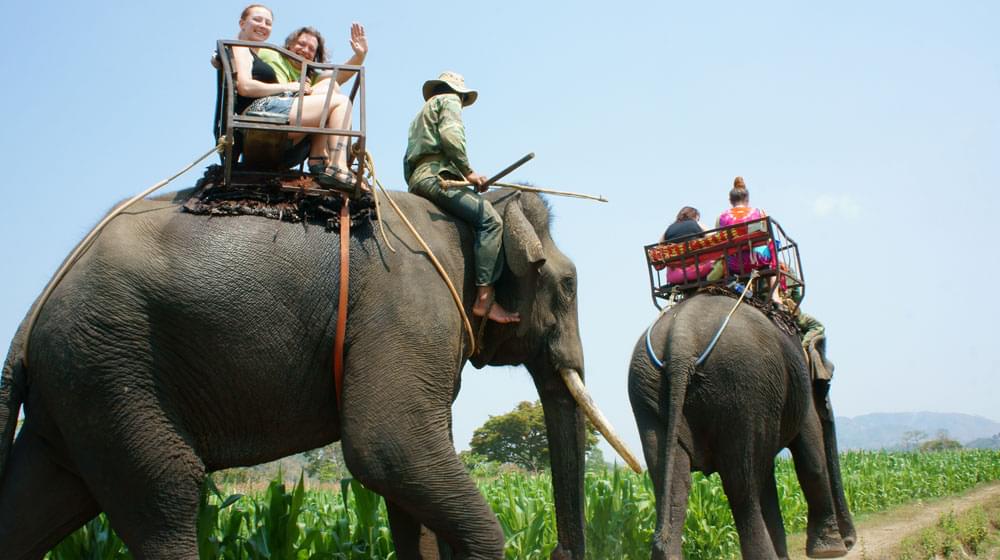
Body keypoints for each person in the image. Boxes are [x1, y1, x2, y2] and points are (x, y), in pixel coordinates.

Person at [403, 72, 520, 324]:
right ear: (458, 93)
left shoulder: (419, 115)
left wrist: (464, 180)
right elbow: (450, 135)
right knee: (490, 220)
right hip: (437, 178)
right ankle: (484, 298)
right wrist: (468, 172)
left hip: (418, 180)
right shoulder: (449, 101)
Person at [228, 4, 356, 192]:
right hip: (261, 112)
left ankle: (320, 158)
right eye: (257, 19)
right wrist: (290, 87)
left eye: (268, 22)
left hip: (285, 130)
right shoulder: (242, 48)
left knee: (331, 88)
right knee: (341, 102)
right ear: (242, 23)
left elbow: (337, 78)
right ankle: (335, 165)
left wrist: (360, 56)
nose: (263, 25)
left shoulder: (256, 53)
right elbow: (245, 87)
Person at [712, 176, 781, 302]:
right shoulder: (759, 212)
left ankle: (734, 285)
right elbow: (765, 238)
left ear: (730, 200)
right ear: (747, 199)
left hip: (733, 263)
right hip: (756, 260)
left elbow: (720, 241)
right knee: (773, 244)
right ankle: (775, 294)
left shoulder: (721, 217)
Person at [258, 24, 367, 93]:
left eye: (311, 49)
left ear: (315, 56)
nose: (305, 50)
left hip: (301, 112)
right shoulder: (271, 54)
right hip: (269, 104)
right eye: (301, 44)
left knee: (331, 85)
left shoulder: (313, 77)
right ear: (289, 45)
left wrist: (360, 56)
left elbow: (342, 74)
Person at [660, 206, 713, 284]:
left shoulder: (669, 228)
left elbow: (660, 245)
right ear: (695, 217)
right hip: (698, 270)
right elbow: (713, 238)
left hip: (674, 276)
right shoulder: (696, 224)